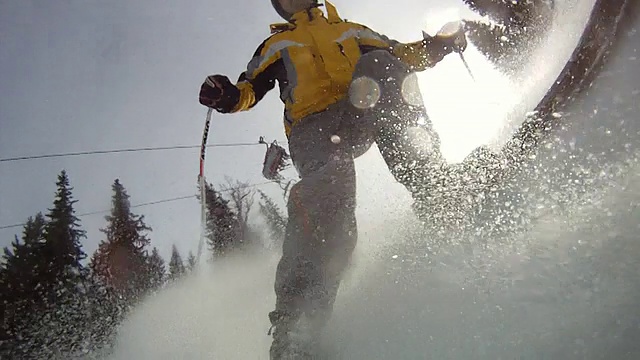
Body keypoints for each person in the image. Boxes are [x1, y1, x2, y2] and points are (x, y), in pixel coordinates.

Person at [198, 1, 503, 358]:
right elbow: (250, 87)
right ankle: (298, 322)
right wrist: (228, 96)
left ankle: (437, 190)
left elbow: (402, 55)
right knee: (331, 180)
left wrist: (438, 46)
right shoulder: (276, 45)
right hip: (312, 127)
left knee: (381, 63)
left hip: (359, 108)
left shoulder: (351, 30)